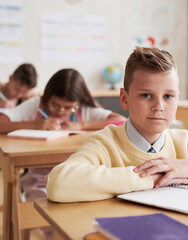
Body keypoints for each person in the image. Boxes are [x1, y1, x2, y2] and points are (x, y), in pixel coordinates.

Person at [45, 46, 188, 203]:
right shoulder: (105, 143)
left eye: (169, 96)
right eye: (146, 95)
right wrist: (152, 179)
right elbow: (59, 184)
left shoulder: (184, 144)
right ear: (124, 98)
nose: (159, 107)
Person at [0, 68, 127, 240]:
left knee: (83, 213)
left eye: (68, 108)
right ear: (47, 97)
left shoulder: (84, 109)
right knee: (45, 210)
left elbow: (121, 121)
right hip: (39, 178)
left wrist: (80, 126)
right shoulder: (36, 105)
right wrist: (35, 124)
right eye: (55, 105)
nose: (60, 111)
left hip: (75, 177)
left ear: (77, 102)